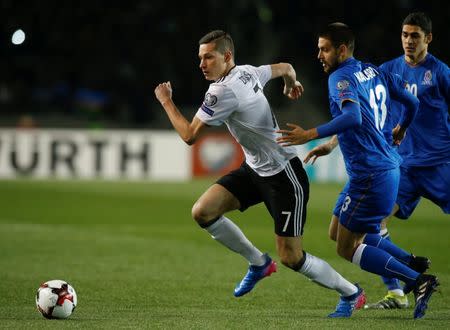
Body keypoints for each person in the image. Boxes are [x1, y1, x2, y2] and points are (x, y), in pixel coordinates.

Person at [154, 29, 366, 318]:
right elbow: (287, 68)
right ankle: (258, 263)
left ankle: (352, 292)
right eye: (200, 58)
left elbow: (190, 135)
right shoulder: (248, 72)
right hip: (254, 170)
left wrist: (166, 100)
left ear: (226, 56)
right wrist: (292, 83)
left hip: (284, 176)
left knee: (292, 257)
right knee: (202, 211)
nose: (202, 64)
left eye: (208, 57)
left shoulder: (222, 91)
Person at [276, 23, 439, 319]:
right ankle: (408, 261)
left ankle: (418, 281)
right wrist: (401, 128)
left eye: (324, 49)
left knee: (346, 248)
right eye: (318, 49)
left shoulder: (340, 77)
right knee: (336, 231)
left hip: (370, 175)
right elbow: (413, 102)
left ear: (341, 49)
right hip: (382, 168)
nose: (319, 55)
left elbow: (352, 116)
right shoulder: (374, 71)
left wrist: (309, 133)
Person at [363, 12, 449, 310]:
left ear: (428, 38)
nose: (408, 41)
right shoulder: (388, 70)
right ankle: (396, 293)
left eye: (415, 35)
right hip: (405, 168)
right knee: (373, 223)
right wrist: (333, 140)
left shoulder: (440, 73)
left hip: (441, 165)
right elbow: (365, 110)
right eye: (404, 35)